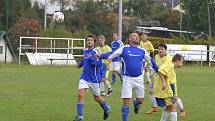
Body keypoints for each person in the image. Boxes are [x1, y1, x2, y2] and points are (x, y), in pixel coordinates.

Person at [107, 33, 152, 121]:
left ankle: (136, 104)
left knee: (140, 101)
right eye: (134, 36)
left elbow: (150, 61)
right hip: (127, 78)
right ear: (130, 38)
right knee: (126, 101)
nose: (137, 37)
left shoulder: (142, 50)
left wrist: (153, 69)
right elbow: (112, 54)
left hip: (139, 78)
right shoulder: (124, 48)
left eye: (138, 37)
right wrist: (105, 60)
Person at [73, 34, 110, 121]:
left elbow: (99, 64)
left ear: (94, 42)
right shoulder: (85, 51)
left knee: (97, 98)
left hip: (94, 79)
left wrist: (91, 59)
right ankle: (80, 116)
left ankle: (106, 108)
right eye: (88, 40)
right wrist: (80, 64)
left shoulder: (96, 52)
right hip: (84, 77)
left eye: (91, 40)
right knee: (80, 94)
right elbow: (84, 59)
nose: (89, 41)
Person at [153, 54, 184, 121]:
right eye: (182, 62)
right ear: (177, 61)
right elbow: (160, 71)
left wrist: (174, 93)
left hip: (164, 91)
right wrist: (164, 82)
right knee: (173, 108)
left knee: (168, 107)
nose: (182, 64)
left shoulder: (171, 66)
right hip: (164, 91)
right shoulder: (170, 65)